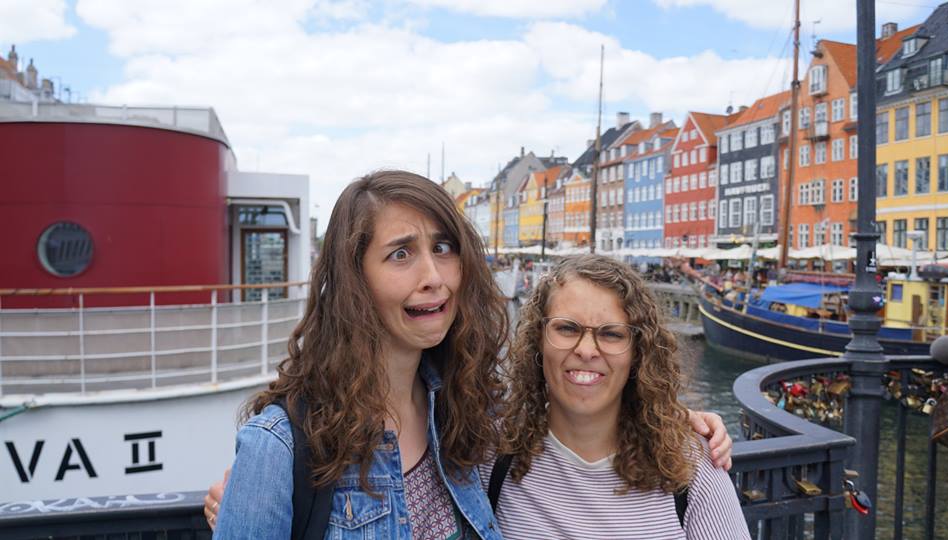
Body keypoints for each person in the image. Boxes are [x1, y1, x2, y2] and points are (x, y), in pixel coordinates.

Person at [206, 170, 733, 538]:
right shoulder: (285, 446)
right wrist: (252, 489)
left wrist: (665, 416)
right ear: (353, 279)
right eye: (400, 254)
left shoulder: (462, 420)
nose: (433, 277)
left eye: (442, 248)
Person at [490, 255, 750, 538]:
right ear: (538, 338)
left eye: (611, 334)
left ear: (638, 352)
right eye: (567, 328)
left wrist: (673, 421)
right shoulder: (491, 457)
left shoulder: (692, 469)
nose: (586, 350)